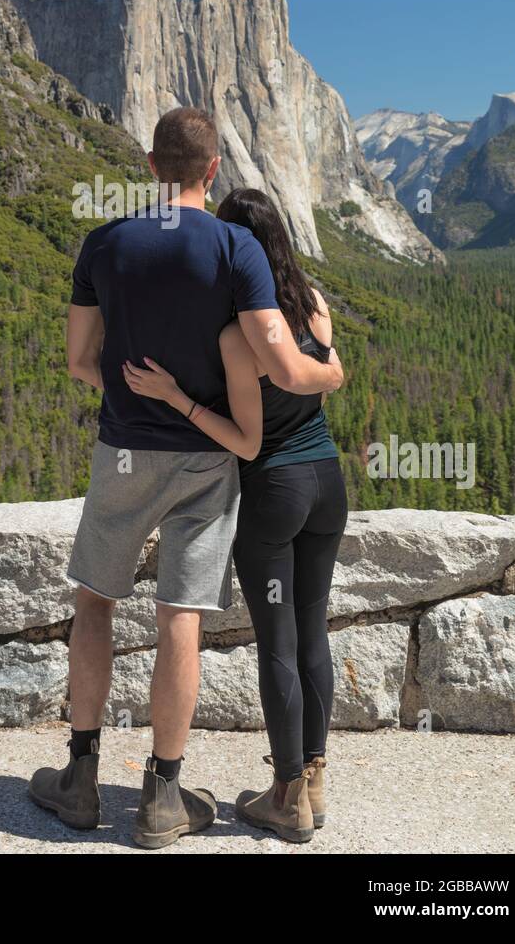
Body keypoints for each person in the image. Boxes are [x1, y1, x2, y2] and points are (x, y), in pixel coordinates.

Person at [28, 109, 344, 849]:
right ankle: (164, 795)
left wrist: (131, 383)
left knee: (94, 603)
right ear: (212, 171)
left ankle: (78, 777)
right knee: (181, 617)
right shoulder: (237, 248)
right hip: (208, 458)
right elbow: (277, 359)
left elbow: (79, 360)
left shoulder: (103, 244)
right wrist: (330, 370)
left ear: (147, 164)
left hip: (125, 452)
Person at [122, 186, 347, 844]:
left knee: (277, 643)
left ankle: (285, 797)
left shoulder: (236, 334)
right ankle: (314, 782)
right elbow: (328, 373)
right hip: (327, 485)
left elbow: (246, 441)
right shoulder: (314, 306)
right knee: (311, 634)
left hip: (273, 493)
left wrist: (175, 396)